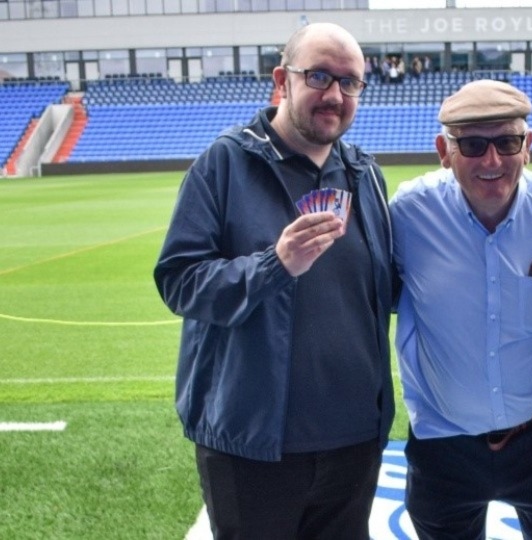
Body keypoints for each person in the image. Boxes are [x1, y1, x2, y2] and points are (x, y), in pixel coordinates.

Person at [153, 22, 394, 539]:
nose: (335, 94)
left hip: (353, 441)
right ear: (282, 80)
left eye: (350, 82)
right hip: (252, 445)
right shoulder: (224, 164)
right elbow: (179, 281)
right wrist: (274, 265)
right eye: (320, 76)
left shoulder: (365, 174)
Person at [389, 79, 532, 539]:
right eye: (472, 144)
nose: (492, 161)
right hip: (443, 444)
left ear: (528, 146)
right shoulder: (407, 216)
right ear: (443, 151)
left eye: (507, 142)